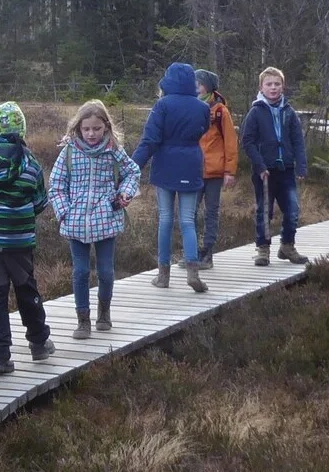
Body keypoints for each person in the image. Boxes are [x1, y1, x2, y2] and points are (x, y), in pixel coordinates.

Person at [49, 99, 140, 338]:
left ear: (106, 127)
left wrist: (125, 193)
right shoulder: (68, 151)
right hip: (75, 222)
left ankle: (104, 313)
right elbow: (56, 186)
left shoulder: (113, 150)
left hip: (106, 220)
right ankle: (83, 320)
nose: (91, 134)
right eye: (86, 129)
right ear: (78, 128)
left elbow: (133, 172)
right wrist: (64, 213)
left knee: (106, 272)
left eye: (96, 129)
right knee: (80, 272)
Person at [0, 102, 55, 373]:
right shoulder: (30, 162)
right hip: (20, 242)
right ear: (22, 129)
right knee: (27, 289)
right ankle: (38, 342)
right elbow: (39, 202)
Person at [132, 63, 211, 293]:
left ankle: (163, 275)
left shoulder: (162, 105)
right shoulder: (202, 107)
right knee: (188, 220)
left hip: (166, 165)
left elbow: (150, 140)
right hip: (191, 164)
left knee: (165, 219)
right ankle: (193, 272)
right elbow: (203, 131)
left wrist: (133, 166)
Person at [240, 65, 309, 267]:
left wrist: (301, 166)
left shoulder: (289, 112)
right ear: (261, 87)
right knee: (265, 211)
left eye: (277, 84)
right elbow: (247, 142)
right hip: (264, 172)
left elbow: (298, 141)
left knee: (292, 209)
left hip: (286, 169)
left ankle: (287, 246)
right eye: (269, 84)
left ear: (283, 87)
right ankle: (263, 249)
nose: (273, 88)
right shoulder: (255, 112)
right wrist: (260, 165)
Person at [193, 68, 238, 269]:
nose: (196, 87)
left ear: (208, 87)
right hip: (193, 171)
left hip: (214, 172)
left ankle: (207, 253)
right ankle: (192, 254)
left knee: (211, 212)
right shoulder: (191, 107)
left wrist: (230, 171)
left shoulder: (220, 111)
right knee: (189, 214)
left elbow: (230, 142)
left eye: (199, 83)